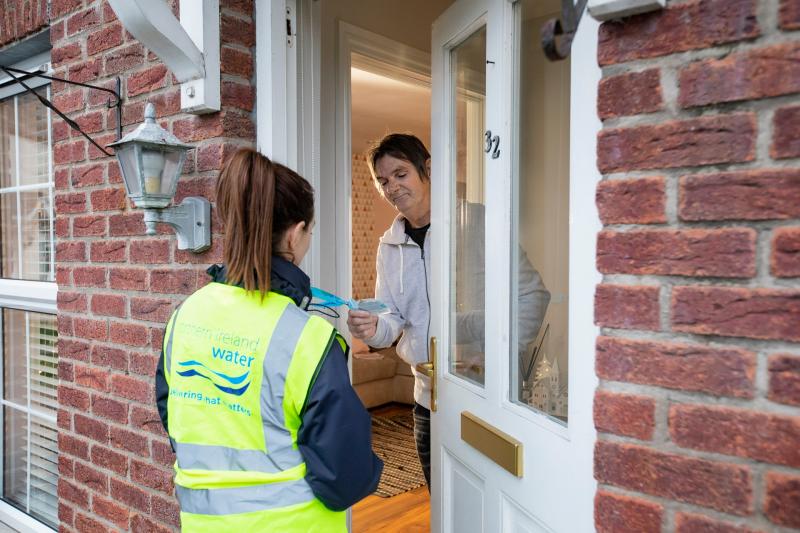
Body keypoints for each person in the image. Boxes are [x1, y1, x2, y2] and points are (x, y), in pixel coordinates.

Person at [155, 148, 382, 532]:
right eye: (310, 231)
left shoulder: (185, 316)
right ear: (296, 233)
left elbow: (174, 416)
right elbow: (346, 476)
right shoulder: (307, 339)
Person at [347, 134, 550, 490]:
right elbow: (393, 322)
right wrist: (371, 327)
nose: (391, 187)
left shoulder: (478, 223)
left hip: (485, 395)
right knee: (441, 501)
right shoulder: (389, 246)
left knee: (484, 501)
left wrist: (497, 353)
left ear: (428, 169)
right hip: (428, 397)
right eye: (382, 181)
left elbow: (532, 296)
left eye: (400, 174)